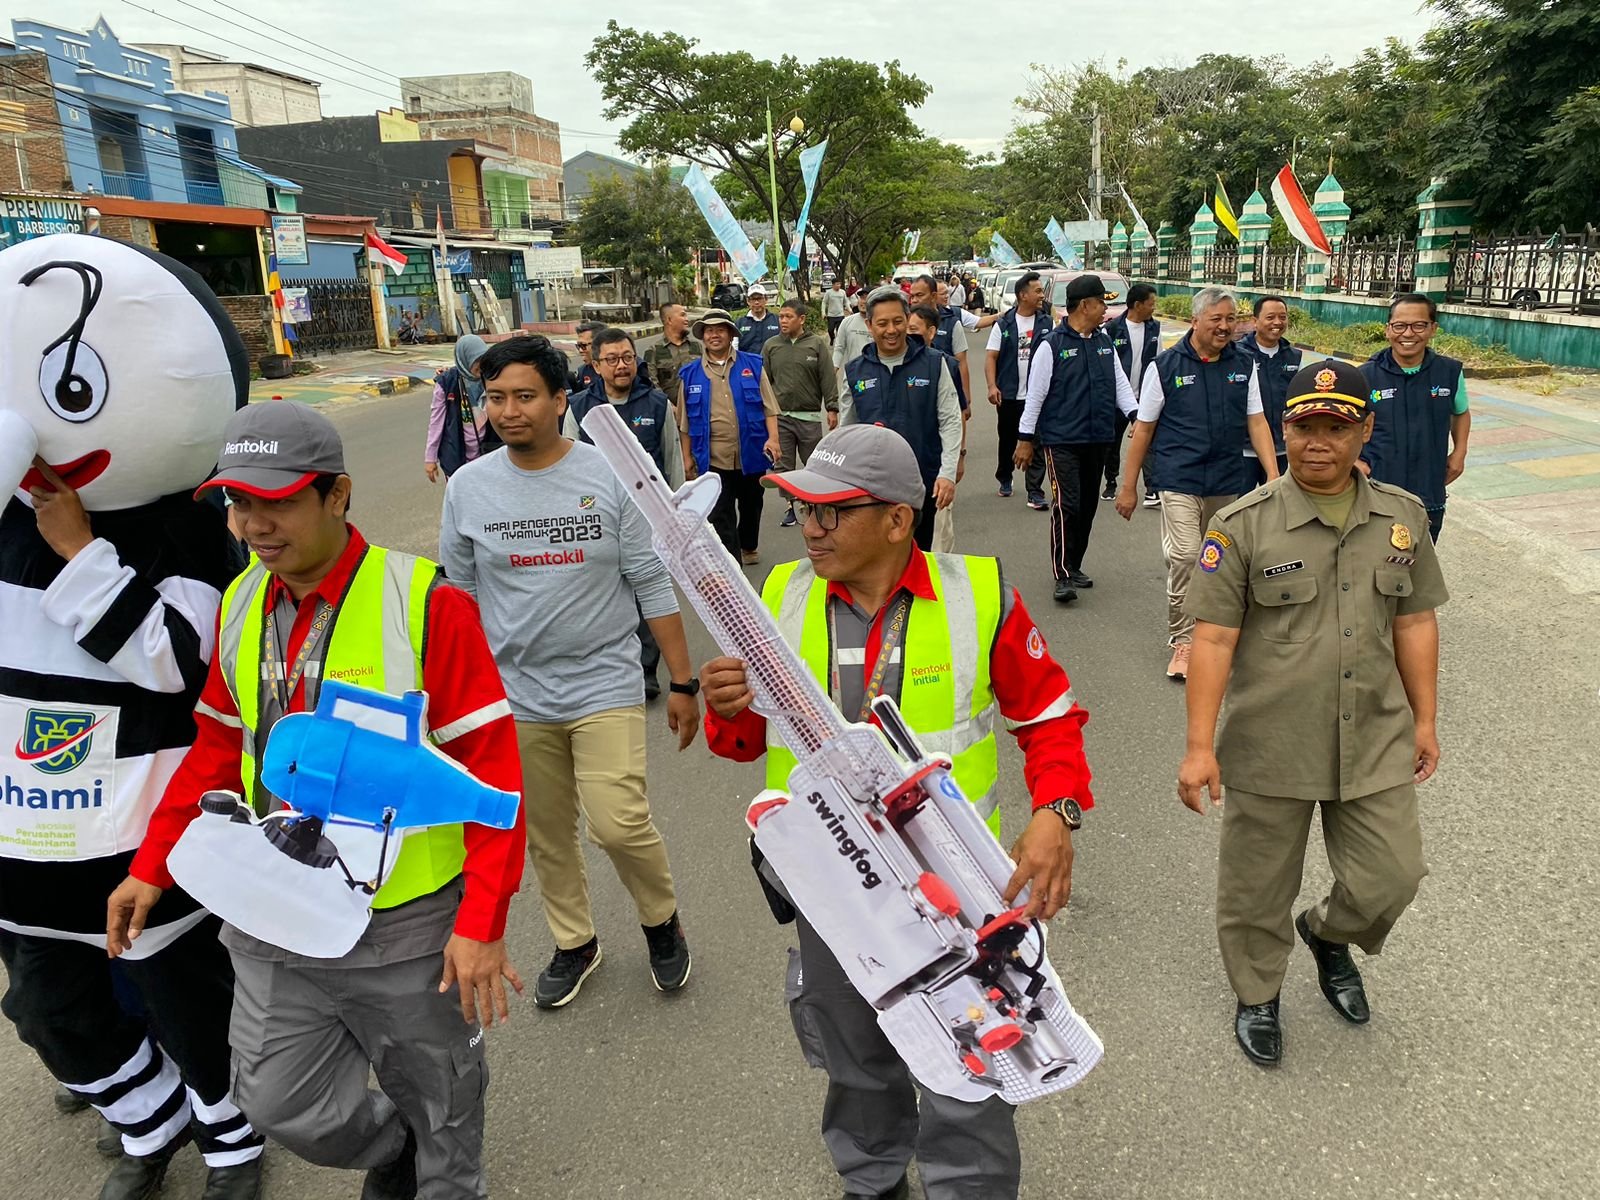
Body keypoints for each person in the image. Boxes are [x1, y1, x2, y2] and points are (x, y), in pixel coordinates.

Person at [109, 400, 526, 1200]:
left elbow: (495, 779)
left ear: (338, 495)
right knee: (277, 1098)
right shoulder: (239, 603)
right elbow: (213, 752)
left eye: (278, 501)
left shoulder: (425, 602)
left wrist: (481, 924)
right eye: (239, 503)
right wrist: (151, 866)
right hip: (274, 906)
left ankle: (439, 1178)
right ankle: (391, 1147)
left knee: (441, 1098)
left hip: (403, 923)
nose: (255, 525)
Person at [700, 423, 1094, 1200]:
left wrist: (1057, 811)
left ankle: (969, 1188)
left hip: (959, 895)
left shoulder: (979, 595)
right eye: (804, 510)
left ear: (896, 519)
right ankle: (872, 1176)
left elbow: (1049, 715)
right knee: (854, 1050)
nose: (810, 529)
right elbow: (743, 744)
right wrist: (728, 705)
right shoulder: (777, 596)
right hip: (832, 886)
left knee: (970, 1057)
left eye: (832, 512)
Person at [1, 234, 263, 1200]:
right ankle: (145, 1118)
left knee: (185, 995)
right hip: (20, 821)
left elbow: (178, 665)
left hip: (134, 819)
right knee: (46, 1006)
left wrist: (79, 550)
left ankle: (230, 1135)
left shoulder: (187, 525)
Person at [1180, 359, 1447, 1067]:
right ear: (1287, 430)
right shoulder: (1243, 525)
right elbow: (1212, 638)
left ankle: (1328, 934)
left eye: (1336, 427)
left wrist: (1425, 720)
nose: (1317, 442)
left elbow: (1416, 622)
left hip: (1376, 734)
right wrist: (1199, 746)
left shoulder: (1402, 517)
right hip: (1273, 741)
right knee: (1257, 886)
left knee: (1393, 875)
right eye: (1304, 427)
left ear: (1365, 430)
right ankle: (1258, 992)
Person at [441, 335, 701, 1010]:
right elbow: (461, 599)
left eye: (524, 396)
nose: (508, 411)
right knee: (546, 832)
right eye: (495, 398)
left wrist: (681, 679)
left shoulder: (607, 476)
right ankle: (575, 940)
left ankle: (660, 920)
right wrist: (457, 702)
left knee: (617, 821)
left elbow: (649, 578)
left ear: (562, 399)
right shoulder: (469, 488)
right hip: (514, 695)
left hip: (605, 680)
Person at [1114, 287, 1280, 681]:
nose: (1225, 327)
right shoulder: (1166, 366)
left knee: (1219, 560)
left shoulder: (1243, 365)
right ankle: (1183, 640)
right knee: (1188, 556)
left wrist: (1274, 475)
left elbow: (1256, 421)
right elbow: (1144, 429)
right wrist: (1128, 485)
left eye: (1231, 319)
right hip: (1178, 476)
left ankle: (1217, 632)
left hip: (1225, 477)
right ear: (1196, 321)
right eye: (1216, 320)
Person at [566, 327, 686, 697]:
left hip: (646, 515)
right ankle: (604, 666)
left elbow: (673, 461)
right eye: (612, 359)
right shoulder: (578, 408)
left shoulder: (657, 404)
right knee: (599, 593)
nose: (621, 366)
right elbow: (568, 466)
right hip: (596, 516)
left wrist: (675, 514)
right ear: (596, 364)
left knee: (646, 591)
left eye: (628, 358)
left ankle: (645, 670)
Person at [1015, 275, 1140, 603]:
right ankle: (1061, 574)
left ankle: (1075, 564)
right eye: (1102, 303)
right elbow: (1035, 395)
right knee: (1066, 505)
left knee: (1086, 507)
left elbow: (1121, 385)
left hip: (1098, 438)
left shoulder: (1103, 343)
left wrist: (1135, 416)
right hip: (1062, 441)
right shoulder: (1051, 345)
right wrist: (1025, 439)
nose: (1105, 310)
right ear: (1085, 305)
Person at [839, 287, 962, 552]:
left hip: (923, 482)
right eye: (882, 323)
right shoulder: (855, 371)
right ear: (870, 325)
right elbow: (845, 431)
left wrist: (947, 473)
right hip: (871, 486)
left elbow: (951, 420)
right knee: (876, 554)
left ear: (908, 319)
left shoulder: (934, 363)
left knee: (920, 553)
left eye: (898, 321)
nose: (891, 330)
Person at [1359, 293, 1470, 543]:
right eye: (1399, 326)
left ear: (1433, 329)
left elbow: (1461, 412)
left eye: (1419, 325)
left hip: (1429, 489)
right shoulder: (1366, 375)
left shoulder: (1449, 372)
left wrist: (1459, 453)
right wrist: (1355, 462)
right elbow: (1345, 425)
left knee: (1421, 562)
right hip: (1377, 490)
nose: (1408, 334)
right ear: (1388, 330)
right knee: (1377, 565)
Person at [677, 309, 782, 565]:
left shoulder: (752, 365)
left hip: (751, 451)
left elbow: (769, 407)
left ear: (730, 334)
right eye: (709, 331)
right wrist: (686, 457)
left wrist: (774, 439)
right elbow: (684, 422)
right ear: (703, 336)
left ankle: (748, 545)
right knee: (720, 512)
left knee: (751, 504)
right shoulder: (690, 374)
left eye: (720, 330)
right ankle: (731, 563)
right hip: (712, 457)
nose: (714, 335)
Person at [764, 298, 840, 528]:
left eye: (788, 316)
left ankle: (810, 503)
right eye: (781, 316)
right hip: (781, 417)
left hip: (809, 418)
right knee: (783, 466)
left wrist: (832, 407)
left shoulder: (815, 344)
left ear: (802, 319)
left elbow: (827, 377)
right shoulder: (771, 345)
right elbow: (765, 383)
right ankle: (790, 506)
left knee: (813, 464)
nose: (783, 321)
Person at [908, 304, 970, 553]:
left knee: (939, 539)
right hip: (906, 472)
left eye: (914, 329)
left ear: (931, 332)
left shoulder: (946, 365)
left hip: (936, 467)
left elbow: (958, 416)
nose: (907, 334)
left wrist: (959, 459)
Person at [985, 271, 1049, 507]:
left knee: (1037, 441)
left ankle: (1035, 490)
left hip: (1037, 395)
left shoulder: (1046, 322)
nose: (1042, 295)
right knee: (1008, 439)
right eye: (1038, 290)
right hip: (1009, 394)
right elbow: (991, 357)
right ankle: (1005, 475)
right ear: (1023, 295)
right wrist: (992, 386)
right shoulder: (1004, 324)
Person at [1103, 283, 1161, 504]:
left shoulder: (1154, 328)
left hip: (1145, 397)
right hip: (1118, 399)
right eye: (1150, 304)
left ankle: (1151, 488)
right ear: (1137, 305)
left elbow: (1159, 359)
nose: (1153, 308)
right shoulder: (1112, 329)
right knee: (1113, 442)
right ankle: (1111, 483)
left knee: (1148, 441)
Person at [1238, 295, 1303, 483]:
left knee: (1279, 507)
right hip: (1244, 451)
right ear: (1255, 321)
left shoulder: (1294, 357)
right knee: (1244, 508)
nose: (1277, 322)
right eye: (1270, 317)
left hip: (1283, 449)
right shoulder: (1238, 355)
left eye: (1282, 317)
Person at [426, 334, 502, 482]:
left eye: (484, 359)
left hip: (488, 454)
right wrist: (430, 458)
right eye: (477, 360)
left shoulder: (491, 378)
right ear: (465, 359)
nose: (481, 365)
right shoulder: (447, 383)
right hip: (456, 457)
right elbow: (436, 422)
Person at [644, 301, 702, 410]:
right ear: (669, 320)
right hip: (668, 412)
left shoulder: (697, 347)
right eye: (682, 315)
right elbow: (651, 382)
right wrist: (669, 407)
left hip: (697, 409)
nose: (687, 319)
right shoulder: (654, 351)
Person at [737, 285, 782, 354]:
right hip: (748, 363)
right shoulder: (739, 323)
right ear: (748, 301)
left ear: (766, 299)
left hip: (772, 363)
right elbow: (734, 348)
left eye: (759, 298)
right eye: (753, 299)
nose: (756, 302)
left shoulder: (777, 320)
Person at [569, 321, 605, 394]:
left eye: (583, 346)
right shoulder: (583, 371)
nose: (580, 350)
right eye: (578, 346)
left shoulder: (618, 369)